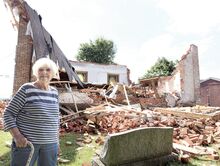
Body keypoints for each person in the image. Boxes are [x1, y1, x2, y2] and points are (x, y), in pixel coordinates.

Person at [3, 58, 60, 166]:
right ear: (36, 72)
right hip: (27, 144)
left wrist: (57, 141)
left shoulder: (54, 92)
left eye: (48, 70)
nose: (44, 72)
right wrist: (17, 136)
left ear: (53, 72)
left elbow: (56, 118)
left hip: (50, 144)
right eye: (40, 70)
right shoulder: (27, 89)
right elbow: (8, 114)